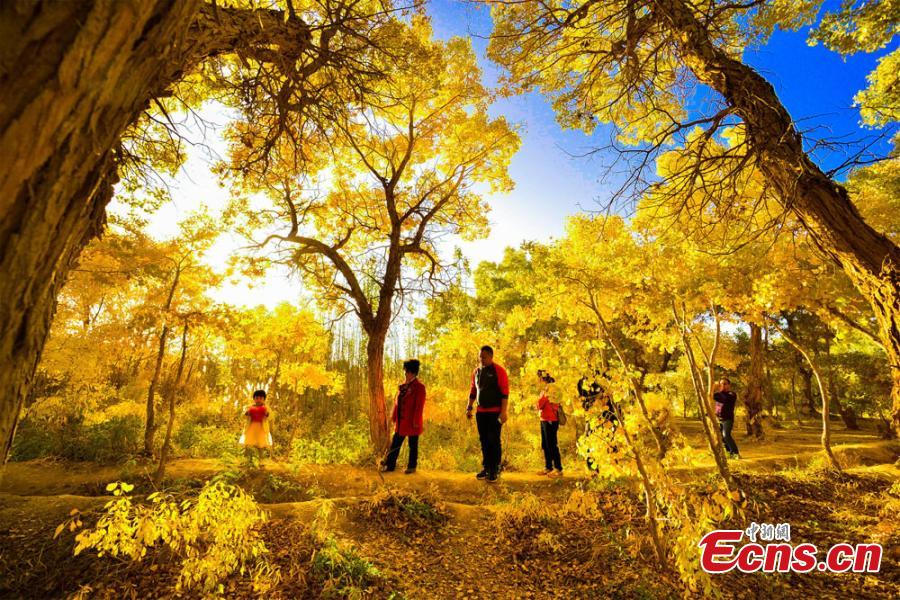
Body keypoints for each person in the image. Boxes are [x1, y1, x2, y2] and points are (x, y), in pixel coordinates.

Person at [466, 345, 509, 483]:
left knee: (493, 440)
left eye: (484, 357)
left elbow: (505, 393)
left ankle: (495, 469)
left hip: (495, 412)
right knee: (484, 440)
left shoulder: (499, 371)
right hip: (481, 412)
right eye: (480, 356)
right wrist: (469, 407)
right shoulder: (476, 372)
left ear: (491, 356)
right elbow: (473, 390)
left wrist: (503, 412)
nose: (481, 359)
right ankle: (486, 468)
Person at [382, 359, 426, 474]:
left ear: (412, 373)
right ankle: (390, 465)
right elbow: (398, 402)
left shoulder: (419, 387)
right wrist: (394, 416)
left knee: (413, 445)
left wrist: (416, 421)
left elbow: (419, 406)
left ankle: (412, 467)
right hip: (401, 422)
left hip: (412, 422)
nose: (405, 373)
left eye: (406, 371)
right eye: (405, 371)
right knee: (395, 443)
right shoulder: (402, 386)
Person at [536, 370, 563, 477]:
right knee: (545, 444)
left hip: (550, 420)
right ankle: (548, 467)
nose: (539, 381)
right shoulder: (546, 390)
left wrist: (540, 400)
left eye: (540, 379)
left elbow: (539, 404)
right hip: (544, 419)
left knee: (552, 444)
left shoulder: (551, 389)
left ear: (544, 379)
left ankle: (558, 468)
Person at [241, 390, 272, 462]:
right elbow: (243, 416)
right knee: (248, 444)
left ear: (264, 399)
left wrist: (267, 414)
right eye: (257, 398)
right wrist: (246, 413)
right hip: (251, 427)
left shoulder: (266, 408)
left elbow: (270, 417)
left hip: (261, 428)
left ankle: (261, 460)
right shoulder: (250, 407)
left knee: (260, 445)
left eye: (261, 398)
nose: (258, 400)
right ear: (254, 399)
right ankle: (247, 460)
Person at [714, 378, 740, 459]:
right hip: (719, 419)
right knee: (722, 438)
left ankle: (735, 453)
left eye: (725, 384)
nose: (723, 385)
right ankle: (729, 453)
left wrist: (718, 391)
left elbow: (724, 399)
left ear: (729, 385)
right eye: (721, 384)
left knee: (726, 435)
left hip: (728, 419)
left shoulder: (732, 394)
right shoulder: (718, 394)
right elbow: (711, 396)